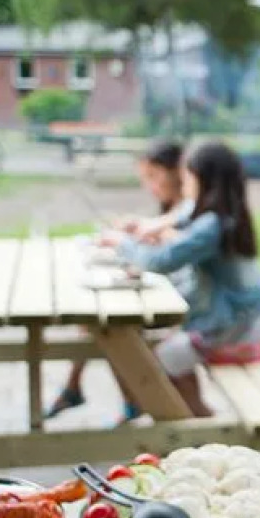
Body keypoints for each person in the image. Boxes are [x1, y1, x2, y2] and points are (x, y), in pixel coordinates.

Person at [113, 141, 260, 417]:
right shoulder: (225, 215)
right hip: (252, 322)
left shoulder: (211, 225)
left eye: (187, 176)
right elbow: (185, 214)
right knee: (161, 351)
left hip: (241, 333)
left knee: (160, 358)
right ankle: (192, 419)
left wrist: (123, 243)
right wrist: (156, 225)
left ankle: (198, 423)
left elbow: (160, 262)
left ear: (202, 180)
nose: (184, 183)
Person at [47, 140, 188, 420]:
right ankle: (110, 396)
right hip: (163, 292)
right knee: (97, 321)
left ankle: (119, 398)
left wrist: (132, 240)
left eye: (153, 176)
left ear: (177, 173)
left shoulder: (190, 208)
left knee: (107, 324)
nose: (150, 185)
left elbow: (176, 250)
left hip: (180, 301)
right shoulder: (175, 208)